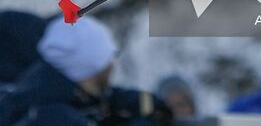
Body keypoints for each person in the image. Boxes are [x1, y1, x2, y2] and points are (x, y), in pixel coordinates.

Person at [0, 15, 171, 125]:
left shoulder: (62, 90)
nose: (111, 65)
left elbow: (111, 98)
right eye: (106, 59)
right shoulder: (52, 117)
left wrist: (155, 105)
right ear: (89, 68)